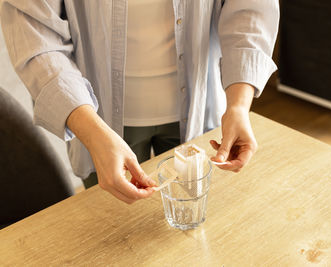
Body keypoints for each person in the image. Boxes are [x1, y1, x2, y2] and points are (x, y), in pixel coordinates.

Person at [1, 0, 279, 204]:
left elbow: (251, 7)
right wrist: (93, 134)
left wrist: (239, 104)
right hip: (98, 121)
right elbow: (35, 35)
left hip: (201, 107)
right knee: (115, 229)